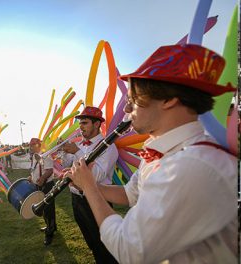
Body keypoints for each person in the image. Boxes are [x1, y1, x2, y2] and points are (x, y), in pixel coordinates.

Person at [68, 44, 237, 263]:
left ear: (169, 100)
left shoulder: (191, 165)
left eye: (133, 100)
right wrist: (88, 183)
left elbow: (128, 250)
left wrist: (90, 188)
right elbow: (130, 194)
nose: (127, 110)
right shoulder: (158, 149)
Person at [61, 106, 118, 263]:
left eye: (84, 123)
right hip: (77, 199)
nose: (81, 127)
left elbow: (96, 176)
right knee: (92, 243)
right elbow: (69, 165)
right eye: (80, 123)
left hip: (97, 199)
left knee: (104, 246)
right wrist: (65, 152)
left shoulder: (108, 146)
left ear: (97, 124)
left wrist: (77, 153)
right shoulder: (81, 145)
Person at [28, 138, 57, 246]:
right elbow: (34, 170)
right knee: (43, 208)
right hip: (39, 185)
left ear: (38, 145)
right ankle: (51, 226)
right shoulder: (34, 157)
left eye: (33, 145)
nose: (30, 147)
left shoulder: (45, 155)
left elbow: (50, 170)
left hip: (47, 185)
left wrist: (43, 179)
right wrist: (32, 177)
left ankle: (49, 233)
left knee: (48, 209)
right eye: (30, 145)